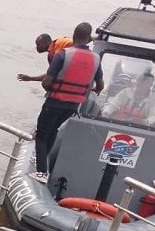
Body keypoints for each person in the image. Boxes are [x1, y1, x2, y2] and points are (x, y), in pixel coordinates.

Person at [29, 23, 104, 184]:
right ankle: (42, 162)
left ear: (74, 36)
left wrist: (53, 87)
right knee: (54, 130)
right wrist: (90, 90)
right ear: (88, 38)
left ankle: (42, 172)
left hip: (55, 101)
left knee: (42, 134)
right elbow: (100, 86)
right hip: (73, 105)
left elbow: (46, 82)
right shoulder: (96, 59)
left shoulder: (63, 54)